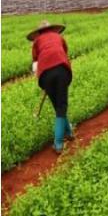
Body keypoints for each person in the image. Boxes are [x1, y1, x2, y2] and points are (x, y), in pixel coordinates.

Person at [28, 20, 74, 154]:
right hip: (61, 70)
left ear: (39, 32)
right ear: (52, 29)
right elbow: (64, 51)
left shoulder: (37, 42)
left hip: (45, 75)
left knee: (58, 106)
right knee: (61, 107)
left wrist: (42, 78)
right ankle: (58, 144)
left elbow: (35, 61)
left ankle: (69, 132)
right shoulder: (59, 37)